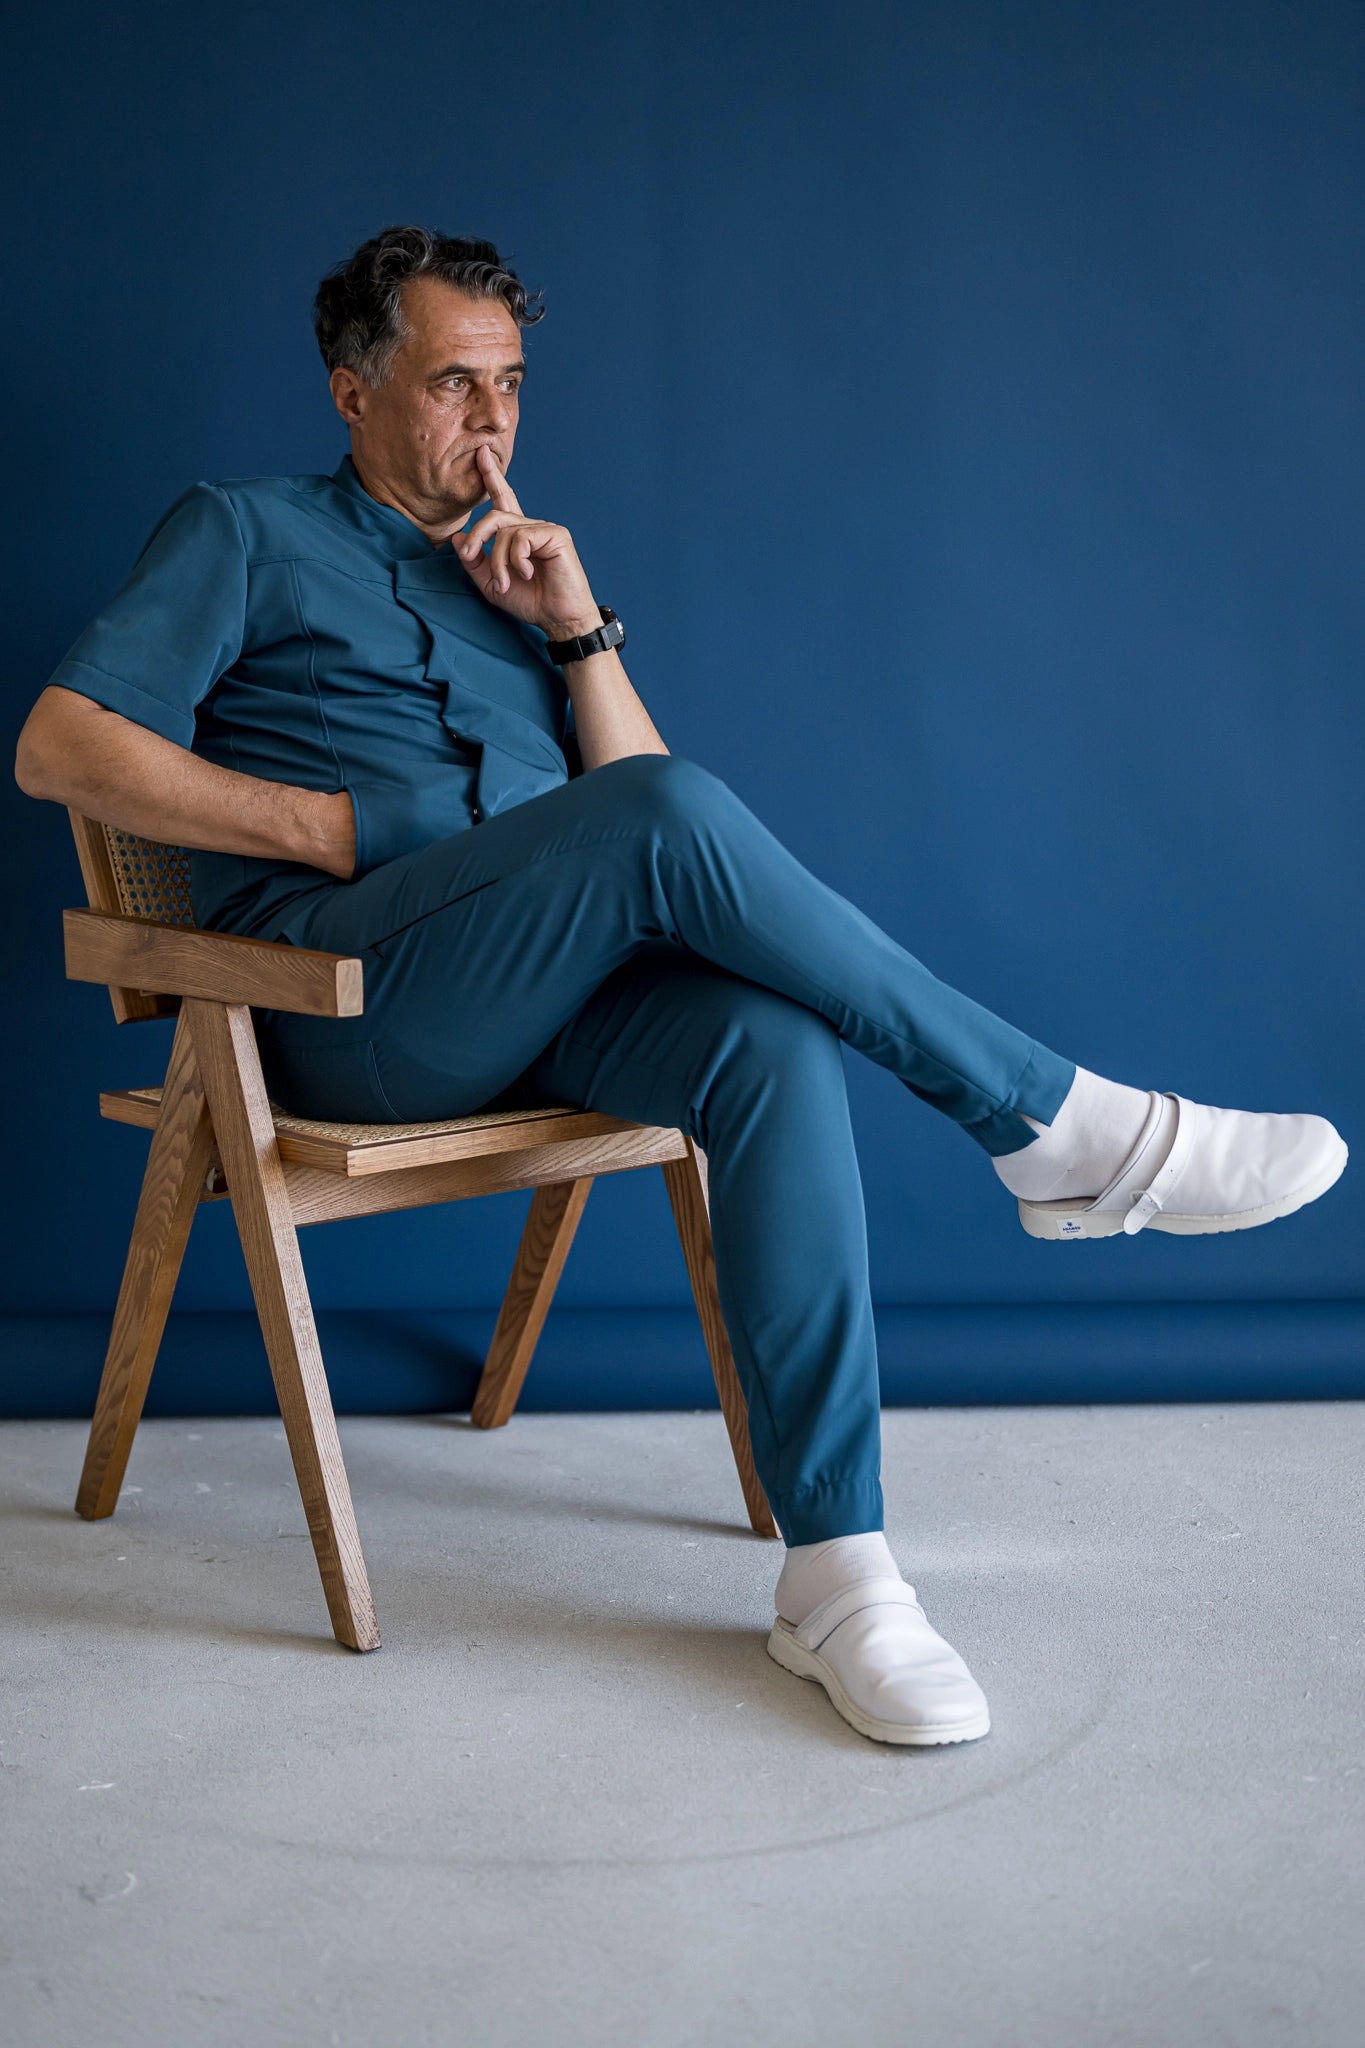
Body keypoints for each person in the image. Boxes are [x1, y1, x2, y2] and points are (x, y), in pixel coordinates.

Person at [15, 226, 1348, 1748]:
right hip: (343, 1011)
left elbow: (659, 821)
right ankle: (1057, 1126)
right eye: (453, 383)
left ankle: (838, 1571)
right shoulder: (243, 530)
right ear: (352, 390)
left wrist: (574, 626)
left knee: (763, 1039)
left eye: (512, 384)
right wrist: (327, 828)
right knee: (661, 819)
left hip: (524, 996)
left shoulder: (509, 576)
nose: (493, 420)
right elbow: (59, 747)